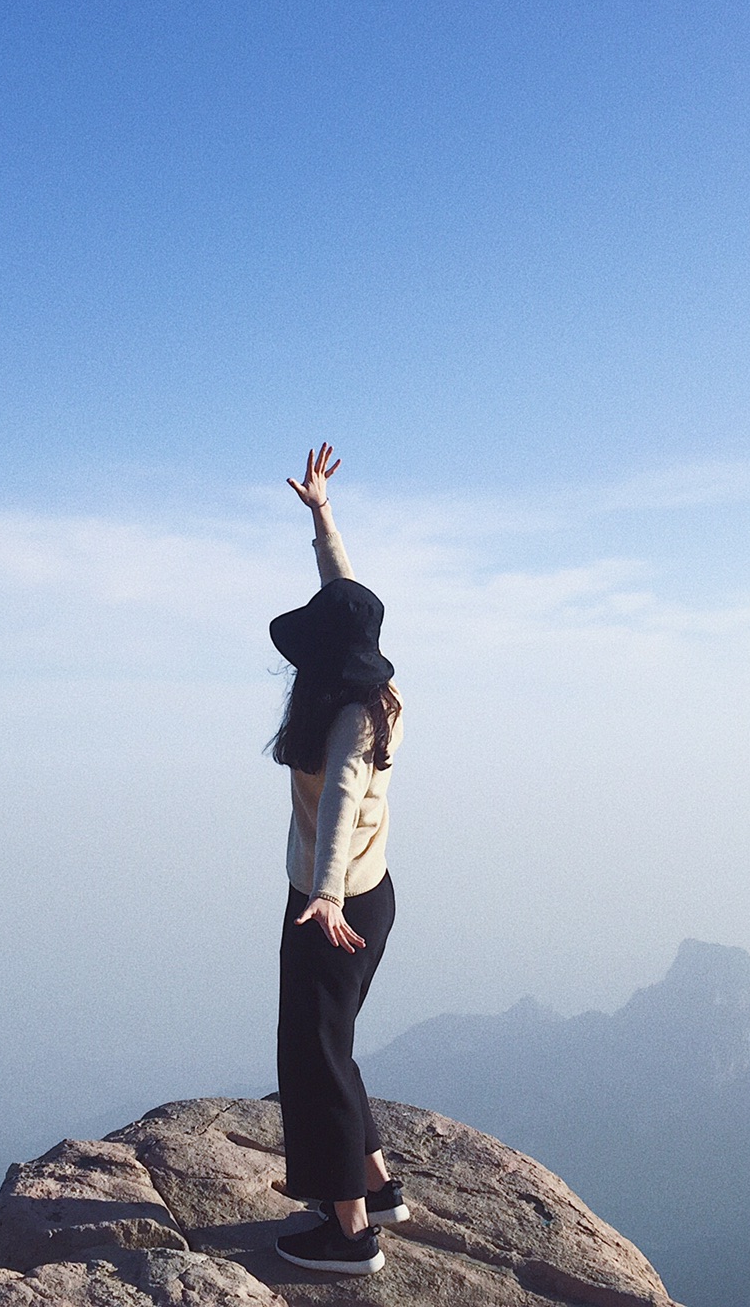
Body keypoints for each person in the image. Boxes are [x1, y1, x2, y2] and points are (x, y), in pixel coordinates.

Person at [268, 443, 408, 1277]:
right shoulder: (375, 684)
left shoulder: (353, 718)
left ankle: (350, 1234)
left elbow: (346, 799)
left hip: (338, 905)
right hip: (368, 895)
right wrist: (323, 515)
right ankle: (377, 1184)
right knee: (331, 1046)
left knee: (310, 1057)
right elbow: (345, 598)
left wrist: (322, 898)